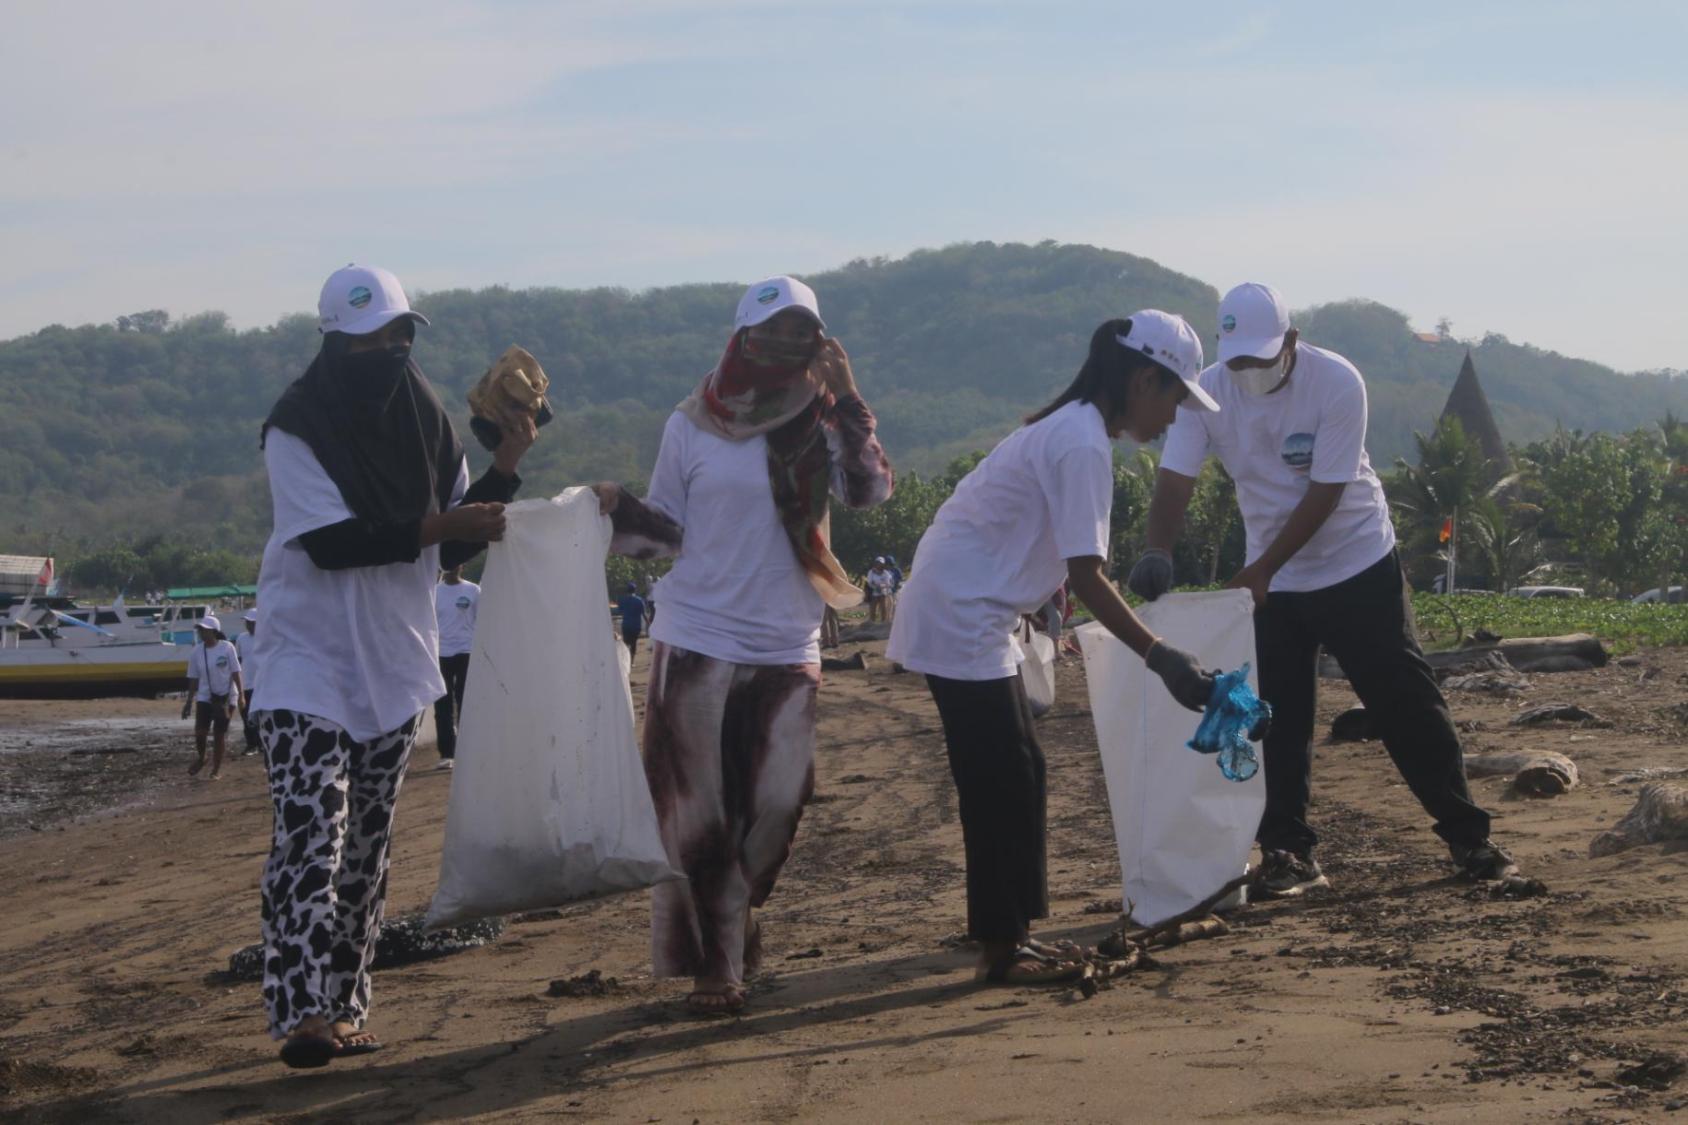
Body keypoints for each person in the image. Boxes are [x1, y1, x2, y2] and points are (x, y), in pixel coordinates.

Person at [1129, 282, 1517, 896]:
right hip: (1272, 580)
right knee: (1274, 717)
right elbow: (1176, 478)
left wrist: (1263, 570)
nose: (1250, 371)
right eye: (1240, 360)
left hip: (1355, 562)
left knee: (1403, 701)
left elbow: (1326, 491)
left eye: (1262, 357)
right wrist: (1158, 548)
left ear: (1291, 341)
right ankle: (1288, 852)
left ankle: (1468, 837)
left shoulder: (1336, 382)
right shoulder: (1210, 391)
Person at [251, 264, 540, 1069]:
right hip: (302, 661)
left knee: (368, 847)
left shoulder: (430, 423)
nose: (391, 348)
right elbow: (333, 543)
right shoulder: (296, 425)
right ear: (334, 343)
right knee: (315, 834)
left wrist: (508, 462)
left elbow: (447, 543)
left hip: (389, 661)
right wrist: (444, 520)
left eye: (400, 334)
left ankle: (345, 1004)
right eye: (372, 338)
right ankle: (303, 1013)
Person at [887, 311, 1221, 986]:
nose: (1174, 418)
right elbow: (1087, 574)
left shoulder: (1071, 428)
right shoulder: (1080, 443)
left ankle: (1008, 934)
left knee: (1019, 770)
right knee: (1001, 775)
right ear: (1142, 378)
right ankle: (1002, 946)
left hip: (975, 608)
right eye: (1175, 398)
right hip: (962, 612)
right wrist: (1163, 658)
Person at [636, 275, 894, 1015]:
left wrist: (847, 398)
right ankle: (718, 962)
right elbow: (664, 525)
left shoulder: (819, 419)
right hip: (696, 635)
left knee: (779, 800)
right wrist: (607, 512)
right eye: (773, 329)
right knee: (702, 812)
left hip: (786, 637)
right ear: (741, 337)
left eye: (802, 331)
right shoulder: (689, 423)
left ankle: (735, 910)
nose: (787, 343)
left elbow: (868, 491)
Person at [183, 614, 242, 780]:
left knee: (219, 735)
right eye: (200, 630)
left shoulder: (227, 647)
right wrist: (188, 702)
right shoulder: (196, 651)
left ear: (214, 631)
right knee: (200, 732)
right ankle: (202, 757)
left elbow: (236, 672)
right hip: (205, 696)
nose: (202, 633)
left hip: (226, 697)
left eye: (205, 630)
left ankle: (216, 770)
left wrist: (242, 696)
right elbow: (193, 678)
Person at [432, 564, 480, 769]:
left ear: (462, 566)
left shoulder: (473, 591)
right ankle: (447, 754)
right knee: (442, 705)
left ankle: (468, 750)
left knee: (465, 702)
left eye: (457, 564)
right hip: (441, 653)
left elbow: (481, 620)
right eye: (449, 565)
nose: (453, 569)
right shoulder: (434, 592)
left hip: (466, 651)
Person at [234, 609, 262, 756]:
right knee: (246, 717)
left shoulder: (265, 638)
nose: (248, 625)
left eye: (251, 622)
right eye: (247, 622)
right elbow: (238, 662)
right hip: (246, 685)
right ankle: (251, 744)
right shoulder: (241, 638)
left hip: (262, 685)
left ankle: (262, 744)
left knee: (262, 717)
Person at [615, 581, 647, 658]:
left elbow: (620, 611)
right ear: (635, 590)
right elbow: (644, 614)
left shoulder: (622, 600)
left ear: (627, 590)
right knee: (633, 643)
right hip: (636, 626)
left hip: (626, 625)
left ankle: (626, 659)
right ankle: (632, 662)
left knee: (626, 643)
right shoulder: (639, 600)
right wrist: (649, 623)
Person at [865, 557, 896, 622]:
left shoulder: (885, 573)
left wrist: (880, 586)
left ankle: (883, 622)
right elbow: (869, 582)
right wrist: (876, 586)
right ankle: (872, 622)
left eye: (880, 563)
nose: (879, 565)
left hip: (883, 592)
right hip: (874, 593)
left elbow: (888, 583)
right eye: (877, 563)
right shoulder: (871, 572)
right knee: (873, 608)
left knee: (883, 608)